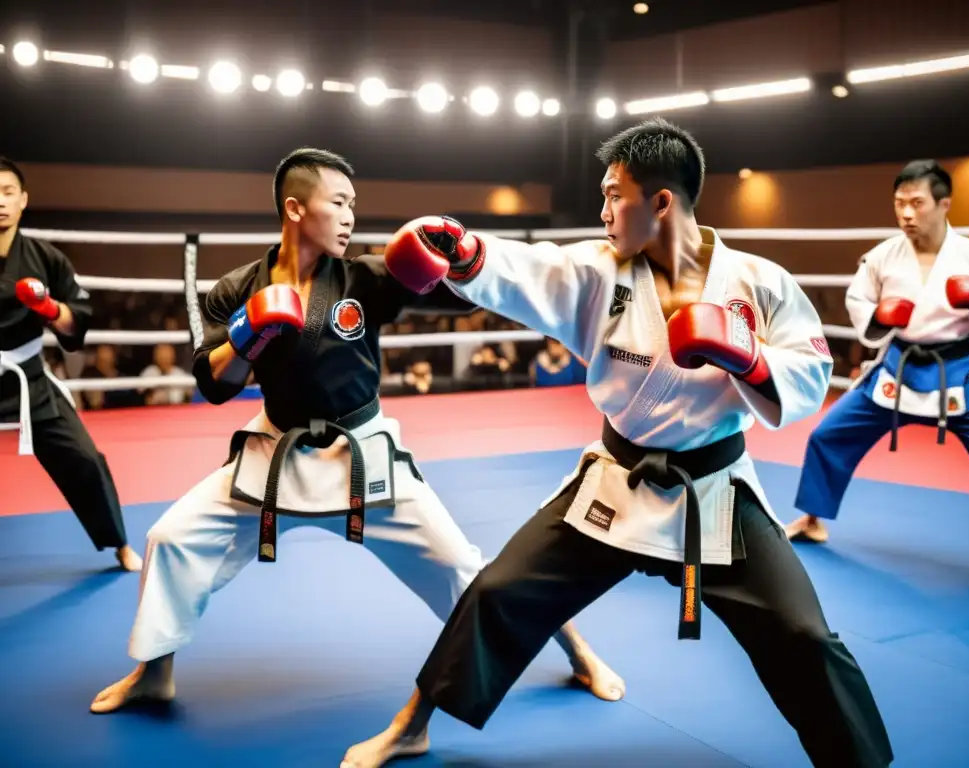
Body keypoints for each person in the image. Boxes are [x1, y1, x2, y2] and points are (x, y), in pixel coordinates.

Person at [341, 118, 894, 768]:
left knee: (803, 634)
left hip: (711, 493)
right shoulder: (596, 270)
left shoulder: (758, 282)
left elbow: (809, 372)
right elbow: (527, 271)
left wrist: (748, 358)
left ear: (661, 201)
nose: (602, 212)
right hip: (616, 481)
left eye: (613, 195)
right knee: (496, 594)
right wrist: (467, 255)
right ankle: (413, 724)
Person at [90, 148, 623, 714]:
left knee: (464, 569)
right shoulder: (237, 288)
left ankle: (578, 650)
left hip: (361, 454)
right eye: (338, 202)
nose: (349, 217)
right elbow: (216, 384)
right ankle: (154, 672)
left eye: (353, 205)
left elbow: (456, 305)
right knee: (170, 539)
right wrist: (247, 336)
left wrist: (456, 258)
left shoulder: (366, 276)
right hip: (275, 451)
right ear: (295, 209)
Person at [787, 160, 969, 547]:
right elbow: (858, 300)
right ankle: (812, 519)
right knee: (827, 435)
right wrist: (880, 317)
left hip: (957, 370)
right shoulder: (882, 256)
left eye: (917, 203)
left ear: (944, 204)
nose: (906, 214)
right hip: (896, 367)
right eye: (899, 203)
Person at [0, 157, 142, 572]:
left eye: (8, 192)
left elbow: (77, 322)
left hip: (28, 378)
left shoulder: (45, 258)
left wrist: (47, 307)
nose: (0, 202)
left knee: (83, 459)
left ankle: (118, 544)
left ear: (23, 200)